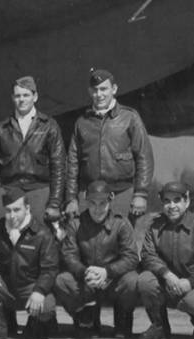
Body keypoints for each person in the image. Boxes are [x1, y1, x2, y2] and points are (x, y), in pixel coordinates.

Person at [64, 68, 154, 223]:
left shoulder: (130, 117)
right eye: (95, 90)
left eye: (104, 89)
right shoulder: (82, 122)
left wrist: (141, 194)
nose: (99, 95)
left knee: (123, 242)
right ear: (89, 91)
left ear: (114, 89)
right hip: (90, 194)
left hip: (121, 193)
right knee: (87, 244)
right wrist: (71, 198)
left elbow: (144, 156)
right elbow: (72, 164)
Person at [137, 181, 194, 339]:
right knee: (144, 280)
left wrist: (190, 282)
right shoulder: (155, 227)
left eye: (177, 200)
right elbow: (148, 255)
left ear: (187, 201)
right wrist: (167, 275)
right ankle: (159, 326)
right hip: (167, 283)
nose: (172, 206)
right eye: (167, 201)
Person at [54, 180, 139, 339]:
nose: (98, 209)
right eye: (92, 203)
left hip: (112, 281)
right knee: (62, 280)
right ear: (86, 200)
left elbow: (131, 257)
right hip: (87, 280)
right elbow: (69, 255)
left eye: (102, 203)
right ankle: (87, 318)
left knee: (132, 280)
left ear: (111, 199)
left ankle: (122, 319)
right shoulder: (76, 224)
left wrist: (108, 272)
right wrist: (84, 272)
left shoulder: (121, 224)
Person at [0, 188, 58, 339]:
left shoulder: (42, 233)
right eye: (8, 210)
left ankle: (35, 324)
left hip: (29, 288)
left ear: (27, 208)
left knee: (47, 306)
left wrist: (39, 291)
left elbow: (50, 269)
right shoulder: (0, 228)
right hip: (6, 288)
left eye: (17, 210)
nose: (12, 216)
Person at [0, 75, 64, 226]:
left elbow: (58, 167)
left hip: (39, 192)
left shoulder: (49, 126)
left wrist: (55, 203)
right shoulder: (2, 129)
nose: (22, 99)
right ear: (13, 98)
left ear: (35, 97)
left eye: (26, 95)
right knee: (7, 242)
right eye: (18, 95)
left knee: (41, 241)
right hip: (8, 192)